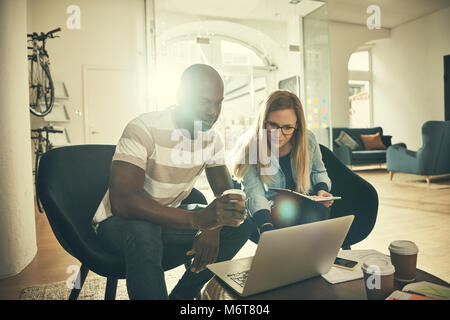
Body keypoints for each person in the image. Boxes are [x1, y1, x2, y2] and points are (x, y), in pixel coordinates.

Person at [92, 64, 252, 300]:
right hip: (117, 224)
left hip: (166, 220)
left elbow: (224, 191)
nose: (213, 111)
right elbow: (124, 202)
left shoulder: (212, 139)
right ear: (181, 97)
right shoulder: (143, 128)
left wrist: (215, 226)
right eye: (203, 102)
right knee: (143, 229)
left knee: (241, 225)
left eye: (218, 102)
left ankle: (182, 296)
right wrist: (198, 220)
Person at [233, 89, 333, 239]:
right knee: (285, 217)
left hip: (305, 203)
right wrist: (266, 227)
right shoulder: (250, 146)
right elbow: (255, 193)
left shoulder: (308, 139)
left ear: (297, 125)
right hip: (270, 208)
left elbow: (319, 172)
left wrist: (322, 190)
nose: (278, 135)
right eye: (273, 125)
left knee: (317, 213)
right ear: (263, 121)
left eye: (287, 127)